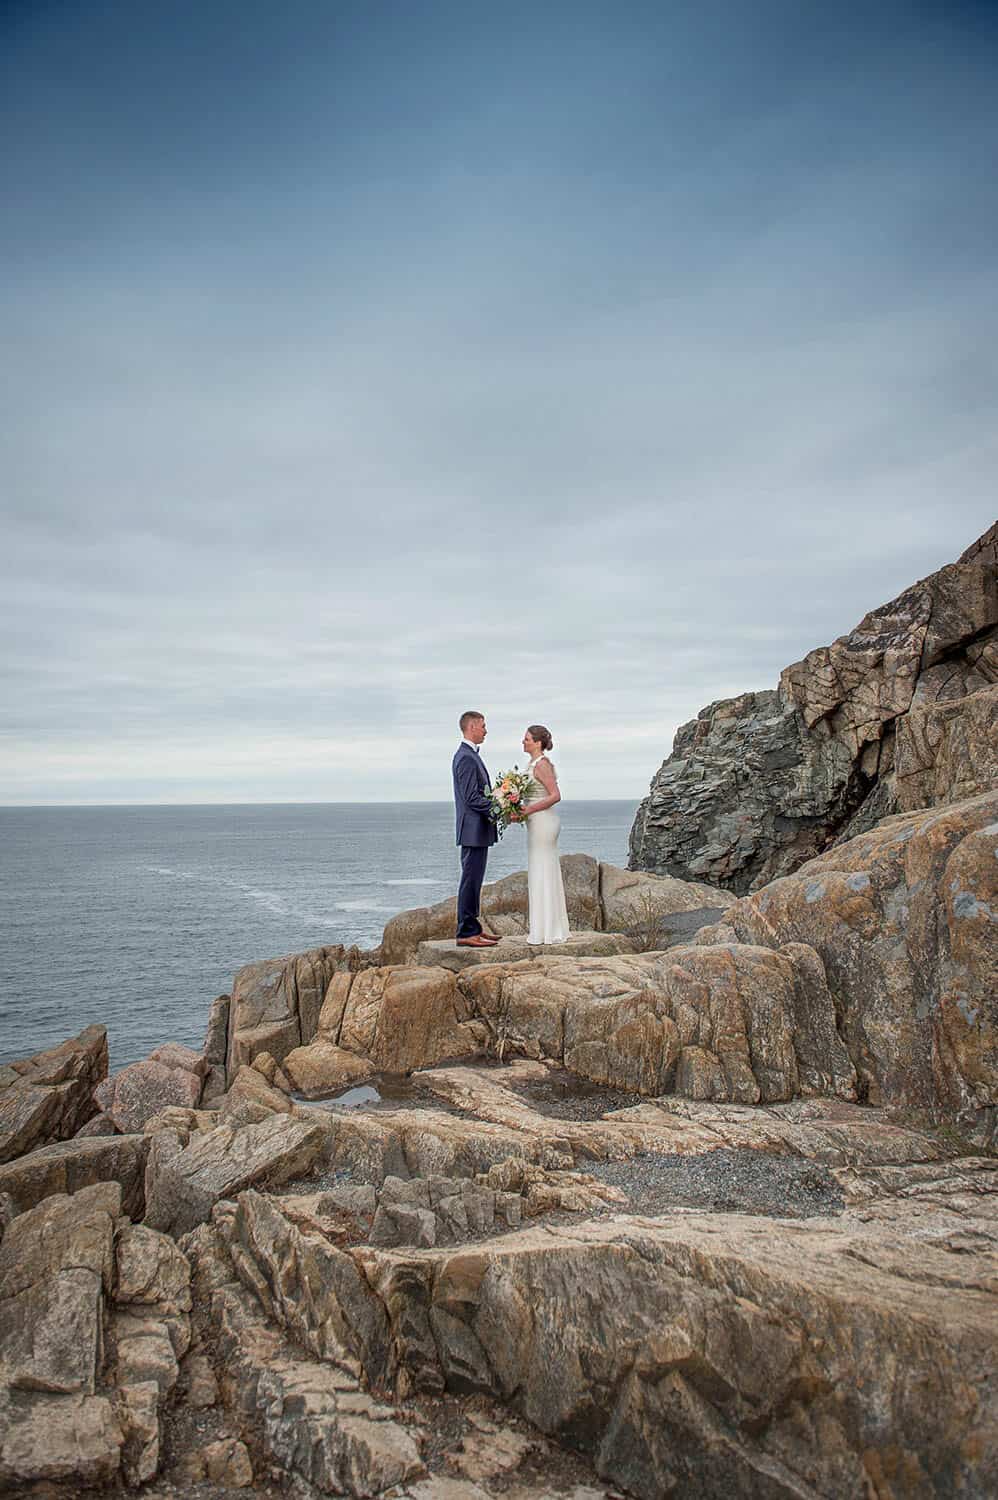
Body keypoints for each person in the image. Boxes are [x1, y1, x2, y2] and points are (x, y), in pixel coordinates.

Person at [517, 724, 570, 944]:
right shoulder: (532, 764)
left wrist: (528, 809)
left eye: (527, 739)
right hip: (535, 822)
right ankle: (543, 928)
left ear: (538, 743)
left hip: (544, 822)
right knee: (540, 870)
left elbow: (555, 795)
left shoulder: (542, 765)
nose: (523, 742)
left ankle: (548, 930)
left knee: (543, 870)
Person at [452, 711, 500, 948]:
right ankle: (466, 932)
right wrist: (499, 806)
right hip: (472, 830)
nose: (486, 730)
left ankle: (474, 928)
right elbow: (472, 798)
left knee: (474, 879)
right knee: (470, 880)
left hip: (476, 830)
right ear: (472, 727)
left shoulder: (469, 755)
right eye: (483, 726)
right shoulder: (466, 758)